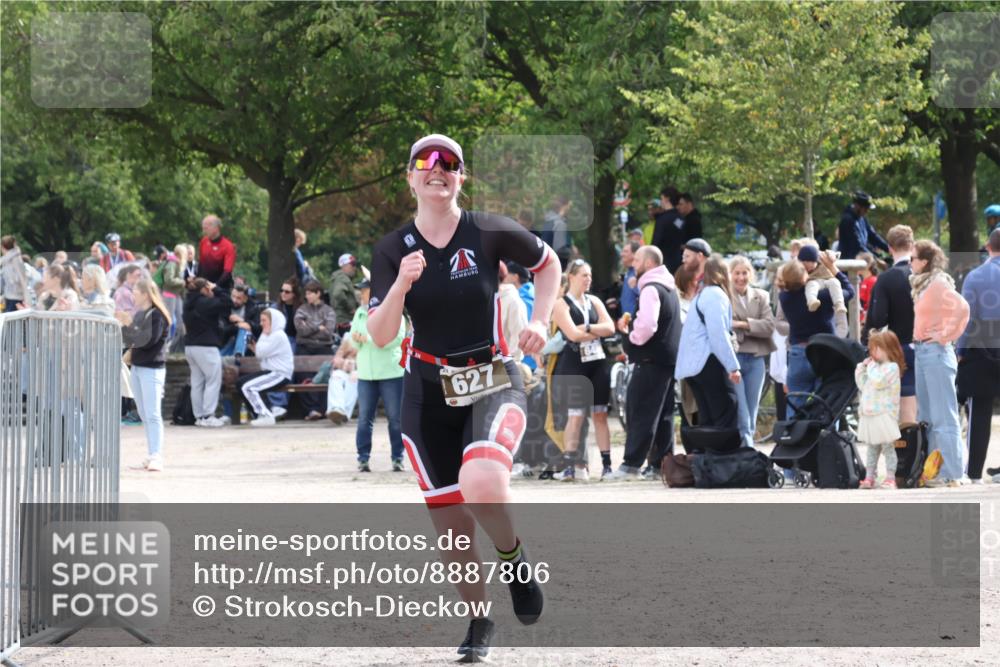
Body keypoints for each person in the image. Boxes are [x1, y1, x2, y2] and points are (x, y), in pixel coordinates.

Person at [366, 133, 559, 660]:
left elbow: (548, 265)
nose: (437, 168)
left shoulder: (488, 230)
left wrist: (540, 320)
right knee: (452, 527)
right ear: (409, 177)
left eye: (449, 162)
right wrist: (401, 285)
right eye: (425, 161)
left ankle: (513, 560)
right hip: (426, 393)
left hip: (492, 377)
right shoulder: (391, 250)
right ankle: (480, 621)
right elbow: (381, 334)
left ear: (461, 176)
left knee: (483, 482)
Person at [610, 245, 682, 479]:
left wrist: (631, 336)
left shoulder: (651, 288)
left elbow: (648, 325)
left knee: (641, 410)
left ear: (649, 263)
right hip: (668, 359)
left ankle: (631, 465)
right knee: (663, 415)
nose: (633, 263)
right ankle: (661, 465)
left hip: (650, 358)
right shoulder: (669, 287)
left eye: (637, 260)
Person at [910, 240, 970, 487]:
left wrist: (945, 335)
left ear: (924, 261)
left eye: (913, 258)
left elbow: (962, 307)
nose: (910, 262)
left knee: (944, 416)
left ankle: (953, 473)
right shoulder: (922, 284)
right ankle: (932, 471)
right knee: (927, 416)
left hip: (935, 352)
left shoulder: (937, 283)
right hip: (922, 350)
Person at [552, 259, 616, 481]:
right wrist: (596, 332)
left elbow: (610, 327)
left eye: (590, 275)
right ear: (571, 277)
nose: (588, 279)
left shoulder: (594, 301)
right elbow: (572, 334)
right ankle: (570, 466)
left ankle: (607, 466)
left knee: (600, 414)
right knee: (576, 416)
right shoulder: (561, 304)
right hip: (575, 365)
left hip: (598, 363)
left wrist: (588, 327)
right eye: (584, 275)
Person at [675, 255, 741, 428]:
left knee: (707, 419)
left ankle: (708, 447)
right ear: (723, 273)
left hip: (693, 367)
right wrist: (732, 366)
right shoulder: (715, 295)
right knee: (726, 412)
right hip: (708, 362)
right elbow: (718, 334)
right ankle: (723, 447)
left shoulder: (701, 295)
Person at [349, 278, 406, 471]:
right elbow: (353, 341)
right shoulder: (359, 313)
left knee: (395, 419)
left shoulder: (393, 308)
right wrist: (357, 339)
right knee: (364, 419)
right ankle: (362, 459)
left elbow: (397, 338)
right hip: (366, 373)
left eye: (364, 290)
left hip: (391, 372)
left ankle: (398, 458)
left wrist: (368, 339)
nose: (361, 294)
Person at [957, 228, 1000, 483]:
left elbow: (968, 319)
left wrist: (961, 350)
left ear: (987, 246)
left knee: (980, 412)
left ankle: (973, 473)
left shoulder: (975, 277)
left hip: (983, 349)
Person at [863, 225, 917, 424]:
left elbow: (878, 319)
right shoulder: (926, 273)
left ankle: (909, 441)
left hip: (900, 346)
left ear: (889, 248)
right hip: (930, 345)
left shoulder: (886, 279)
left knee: (905, 405)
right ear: (912, 245)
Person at [116, 280, 170, 471]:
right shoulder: (140, 314)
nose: (133, 295)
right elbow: (130, 339)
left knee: (153, 413)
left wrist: (130, 324)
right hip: (138, 367)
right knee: (144, 413)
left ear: (146, 294)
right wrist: (125, 325)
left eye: (136, 291)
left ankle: (156, 455)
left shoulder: (157, 315)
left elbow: (147, 341)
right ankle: (151, 452)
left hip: (152, 368)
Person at [729, 255, 776, 448]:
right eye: (737, 273)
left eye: (745, 272)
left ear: (751, 274)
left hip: (756, 358)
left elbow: (769, 326)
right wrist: (754, 326)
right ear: (730, 274)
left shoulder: (761, 296)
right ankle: (747, 448)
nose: (741, 277)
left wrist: (742, 324)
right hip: (734, 358)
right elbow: (726, 325)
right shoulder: (724, 295)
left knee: (752, 407)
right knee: (741, 410)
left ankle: (746, 449)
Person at [856, 329, 905, 489]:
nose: (873, 352)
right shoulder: (874, 368)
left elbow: (878, 381)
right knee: (872, 447)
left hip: (884, 414)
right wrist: (861, 369)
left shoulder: (892, 368)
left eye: (876, 348)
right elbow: (863, 385)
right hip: (870, 413)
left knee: (888, 447)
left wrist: (870, 367)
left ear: (888, 348)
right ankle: (869, 477)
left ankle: (890, 478)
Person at [183, 278, 232, 427]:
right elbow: (227, 302)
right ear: (204, 289)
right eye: (209, 289)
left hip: (190, 347)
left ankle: (199, 417)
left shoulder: (188, 303)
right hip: (206, 347)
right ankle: (208, 416)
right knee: (213, 381)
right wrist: (217, 288)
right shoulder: (205, 302)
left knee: (197, 382)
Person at [239, 308, 294, 426]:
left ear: (273, 321)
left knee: (248, 388)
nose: (261, 323)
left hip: (279, 374)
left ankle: (266, 415)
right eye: (261, 320)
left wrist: (254, 341)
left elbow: (260, 353)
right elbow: (260, 353)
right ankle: (261, 415)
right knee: (240, 383)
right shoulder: (268, 335)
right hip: (270, 372)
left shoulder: (278, 335)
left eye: (264, 320)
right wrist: (254, 346)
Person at [837, 191, 888, 260]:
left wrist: (889, 249)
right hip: (849, 259)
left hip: (861, 257)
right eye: (865, 208)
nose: (867, 211)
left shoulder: (862, 218)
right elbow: (856, 245)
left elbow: (873, 236)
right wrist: (876, 259)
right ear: (857, 206)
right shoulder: (847, 220)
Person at [798, 244, 847, 314]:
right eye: (806, 267)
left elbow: (833, 253)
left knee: (835, 283)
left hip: (829, 278)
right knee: (811, 285)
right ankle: (812, 301)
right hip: (815, 281)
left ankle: (839, 304)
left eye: (811, 266)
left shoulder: (820, 256)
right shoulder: (799, 265)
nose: (809, 269)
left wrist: (832, 256)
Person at [294, 280, 338, 355]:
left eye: (309, 294)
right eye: (306, 294)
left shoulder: (329, 311)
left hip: (324, 347)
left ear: (318, 293)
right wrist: (318, 327)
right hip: (304, 347)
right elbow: (301, 331)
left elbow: (328, 333)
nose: (306, 296)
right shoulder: (301, 310)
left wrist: (308, 326)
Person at [324, 335, 360, 425]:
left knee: (354, 378)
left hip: (362, 371)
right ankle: (336, 408)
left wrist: (355, 366)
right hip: (344, 370)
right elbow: (336, 359)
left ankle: (345, 414)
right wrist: (345, 363)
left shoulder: (373, 340)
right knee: (335, 375)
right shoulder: (349, 340)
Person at [196, 214, 236, 289]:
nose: (204, 231)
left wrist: (216, 285)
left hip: (221, 287)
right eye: (203, 228)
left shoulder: (228, 246)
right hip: (204, 286)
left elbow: (227, 271)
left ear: (216, 228)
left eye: (206, 228)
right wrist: (196, 280)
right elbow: (201, 264)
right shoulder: (203, 242)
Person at [221, 284, 262, 356]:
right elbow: (222, 330)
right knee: (243, 327)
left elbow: (258, 328)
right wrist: (238, 326)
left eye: (238, 298)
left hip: (249, 342)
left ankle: (239, 354)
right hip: (229, 340)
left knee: (244, 329)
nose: (234, 300)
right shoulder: (224, 307)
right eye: (233, 296)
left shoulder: (253, 308)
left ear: (245, 299)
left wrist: (242, 320)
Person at [651, 186, 685, 272]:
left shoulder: (662, 219)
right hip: (678, 260)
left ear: (667, 199)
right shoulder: (680, 218)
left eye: (661, 198)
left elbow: (656, 241)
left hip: (662, 262)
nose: (661, 202)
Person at [329, 253, 360, 334]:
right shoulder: (342, 277)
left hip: (340, 320)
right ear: (344, 265)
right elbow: (338, 293)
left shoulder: (337, 278)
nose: (354, 268)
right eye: (352, 264)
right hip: (345, 320)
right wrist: (350, 308)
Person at [1, 235, 29, 312]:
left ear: (2, 247)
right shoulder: (6, 260)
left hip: (16, 298)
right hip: (10, 297)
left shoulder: (15, 260)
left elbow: (22, 280)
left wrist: (27, 300)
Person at [619, 240, 641, 317]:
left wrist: (635, 287)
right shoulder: (628, 273)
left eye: (625, 251)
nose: (621, 254)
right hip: (627, 320)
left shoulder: (640, 272)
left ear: (635, 254)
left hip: (637, 320)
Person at [856, 252, 879, 324]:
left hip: (866, 322)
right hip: (860, 320)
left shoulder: (873, 281)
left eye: (858, 263)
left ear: (868, 265)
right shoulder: (862, 281)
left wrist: (864, 322)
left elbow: (872, 304)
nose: (855, 266)